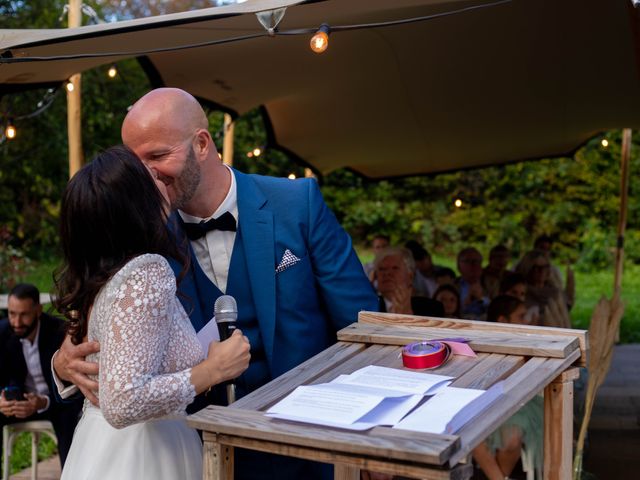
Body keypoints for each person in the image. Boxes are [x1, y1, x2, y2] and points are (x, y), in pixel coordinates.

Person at [54, 88, 378, 479]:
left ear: (202, 144)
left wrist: (377, 440)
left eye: (157, 156)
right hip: (197, 455)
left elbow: (364, 326)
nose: (147, 174)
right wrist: (61, 364)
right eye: (136, 163)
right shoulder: (136, 241)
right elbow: (100, 327)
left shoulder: (297, 204)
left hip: (310, 449)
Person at [55, 146, 251, 479]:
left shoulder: (106, 275)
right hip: (145, 454)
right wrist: (213, 369)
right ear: (136, 203)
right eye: (149, 176)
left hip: (100, 446)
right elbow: (124, 401)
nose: (159, 177)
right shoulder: (147, 272)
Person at [0, 284, 83, 468]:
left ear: (38, 310)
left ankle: (68, 474)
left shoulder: (61, 333)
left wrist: (42, 402)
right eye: (12, 313)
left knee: (68, 418)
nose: (16, 322)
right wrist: (1, 399)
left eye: (24, 314)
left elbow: (73, 391)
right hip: (18, 404)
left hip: (55, 404)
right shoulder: (3, 332)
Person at [473, 295, 543, 480]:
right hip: (483, 399)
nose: (526, 321)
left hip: (518, 400)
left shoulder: (528, 341)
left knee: (512, 437)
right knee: (469, 430)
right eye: (521, 316)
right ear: (502, 320)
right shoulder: (481, 340)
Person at [374, 247, 444, 317]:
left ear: (410, 276)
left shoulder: (431, 308)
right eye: (382, 269)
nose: (387, 273)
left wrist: (408, 315)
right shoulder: (367, 306)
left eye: (395, 268)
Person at [515, 250, 571, 328]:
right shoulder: (520, 292)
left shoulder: (555, 293)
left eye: (545, 267)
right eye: (536, 267)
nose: (541, 271)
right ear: (528, 268)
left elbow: (565, 322)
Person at [455, 247, 490, 320]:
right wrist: (466, 302)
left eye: (476, 261)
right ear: (458, 266)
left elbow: (496, 309)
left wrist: (481, 299)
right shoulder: (452, 285)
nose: (473, 265)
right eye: (467, 261)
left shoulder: (491, 284)